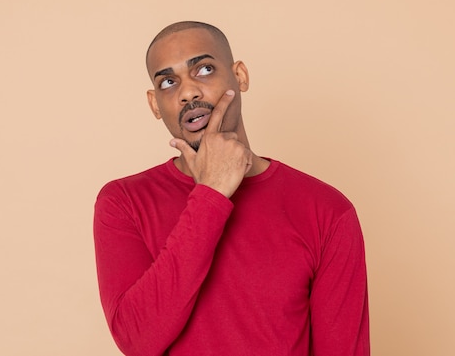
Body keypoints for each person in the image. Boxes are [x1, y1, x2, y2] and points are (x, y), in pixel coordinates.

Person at [93, 21, 370, 356]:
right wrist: (210, 195)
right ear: (154, 104)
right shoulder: (123, 203)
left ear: (240, 76)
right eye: (168, 82)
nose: (188, 92)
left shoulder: (326, 210)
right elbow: (138, 342)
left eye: (204, 69)